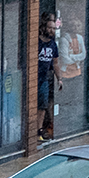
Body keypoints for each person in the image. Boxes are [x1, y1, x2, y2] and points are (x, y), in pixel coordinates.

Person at [37, 14, 62, 142]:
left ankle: (39, 130)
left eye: (54, 29)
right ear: (44, 28)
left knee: (43, 105)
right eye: (50, 28)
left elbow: (55, 63)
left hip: (44, 79)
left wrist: (60, 78)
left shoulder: (53, 45)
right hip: (34, 78)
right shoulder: (37, 42)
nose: (52, 31)